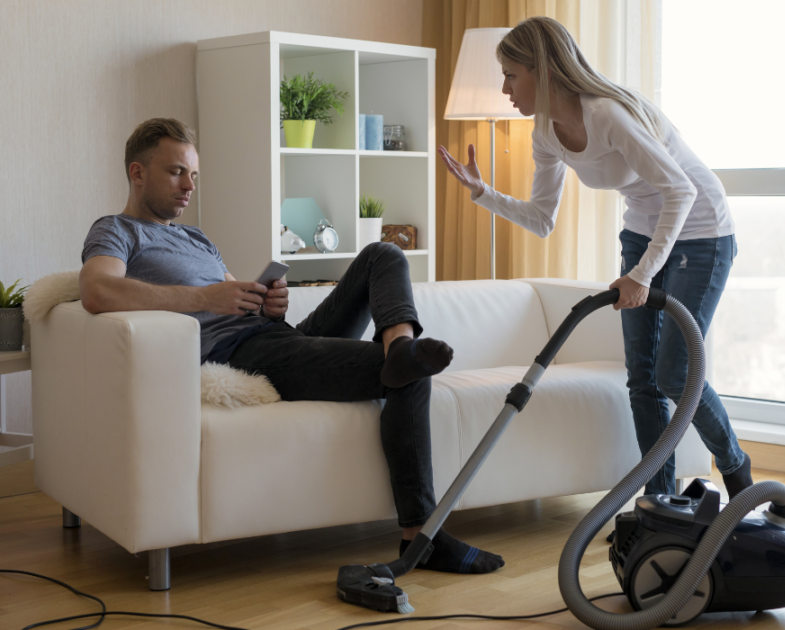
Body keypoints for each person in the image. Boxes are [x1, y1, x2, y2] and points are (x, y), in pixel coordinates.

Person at [79, 117, 504, 574]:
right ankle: (421, 538)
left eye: (194, 175)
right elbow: (98, 290)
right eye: (176, 172)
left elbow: (234, 302)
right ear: (137, 172)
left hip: (275, 335)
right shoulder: (117, 231)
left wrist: (267, 304)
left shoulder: (195, 236)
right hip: (245, 355)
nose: (189, 186)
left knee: (384, 253)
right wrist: (204, 298)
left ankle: (399, 345)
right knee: (411, 373)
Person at [438, 17, 753, 501]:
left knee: (672, 373)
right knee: (641, 380)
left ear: (542, 71)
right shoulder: (545, 132)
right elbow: (543, 218)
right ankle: (660, 504)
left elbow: (681, 189)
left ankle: (736, 468)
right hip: (643, 230)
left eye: (511, 75)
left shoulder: (606, 114)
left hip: (701, 231)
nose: (505, 89)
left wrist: (641, 275)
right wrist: (483, 194)